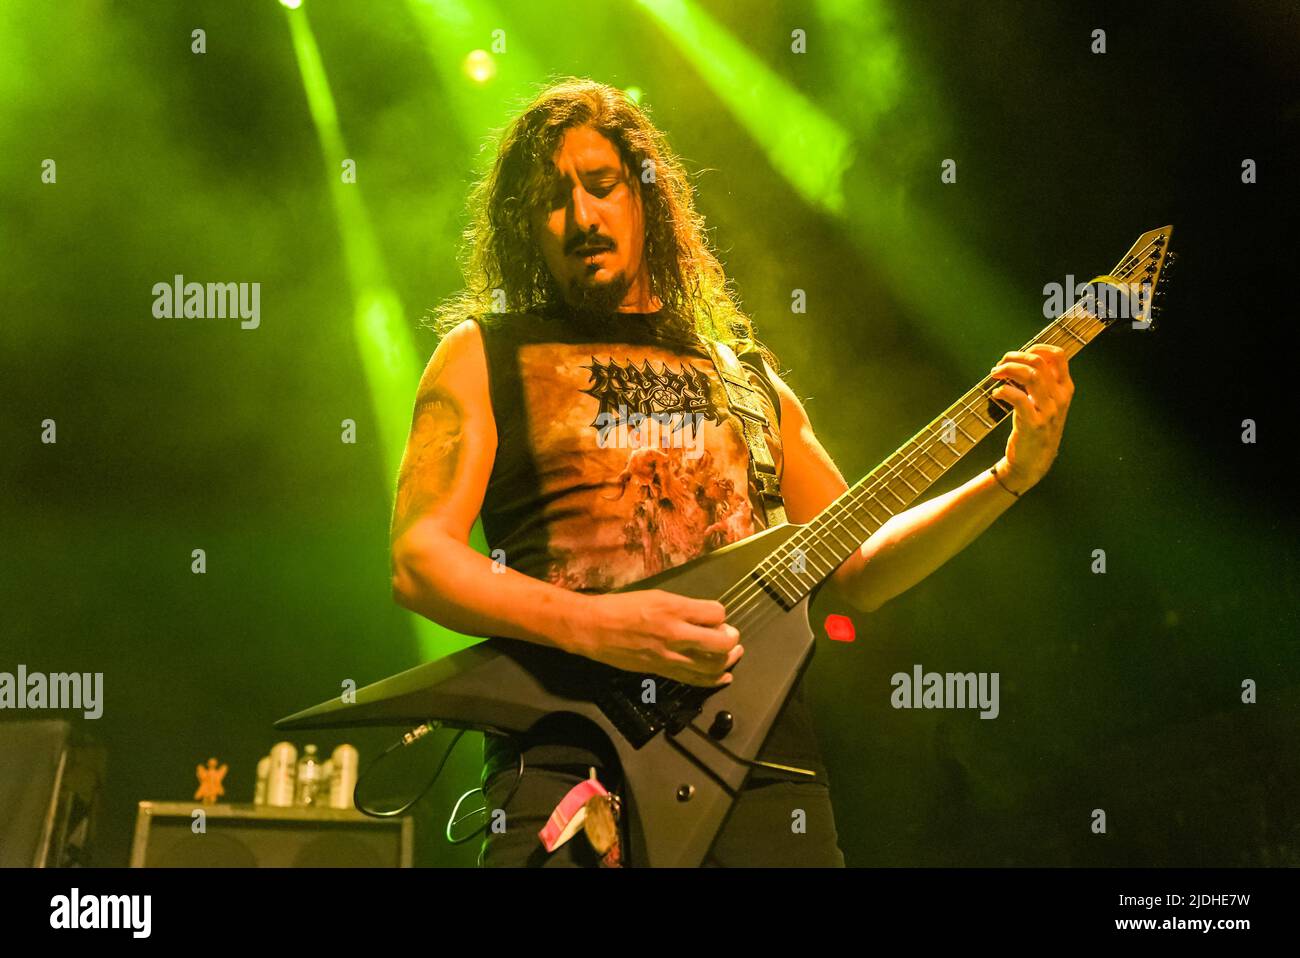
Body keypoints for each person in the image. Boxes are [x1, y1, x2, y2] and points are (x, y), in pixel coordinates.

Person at [388, 78, 1074, 867]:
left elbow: (860, 568)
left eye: (602, 185)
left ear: (647, 196)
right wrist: (601, 625)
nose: (581, 217)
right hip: (568, 767)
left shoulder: (745, 383)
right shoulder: (483, 355)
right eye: (551, 199)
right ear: (525, 228)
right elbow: (420, 561)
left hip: (763, 777)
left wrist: (1010, 476)